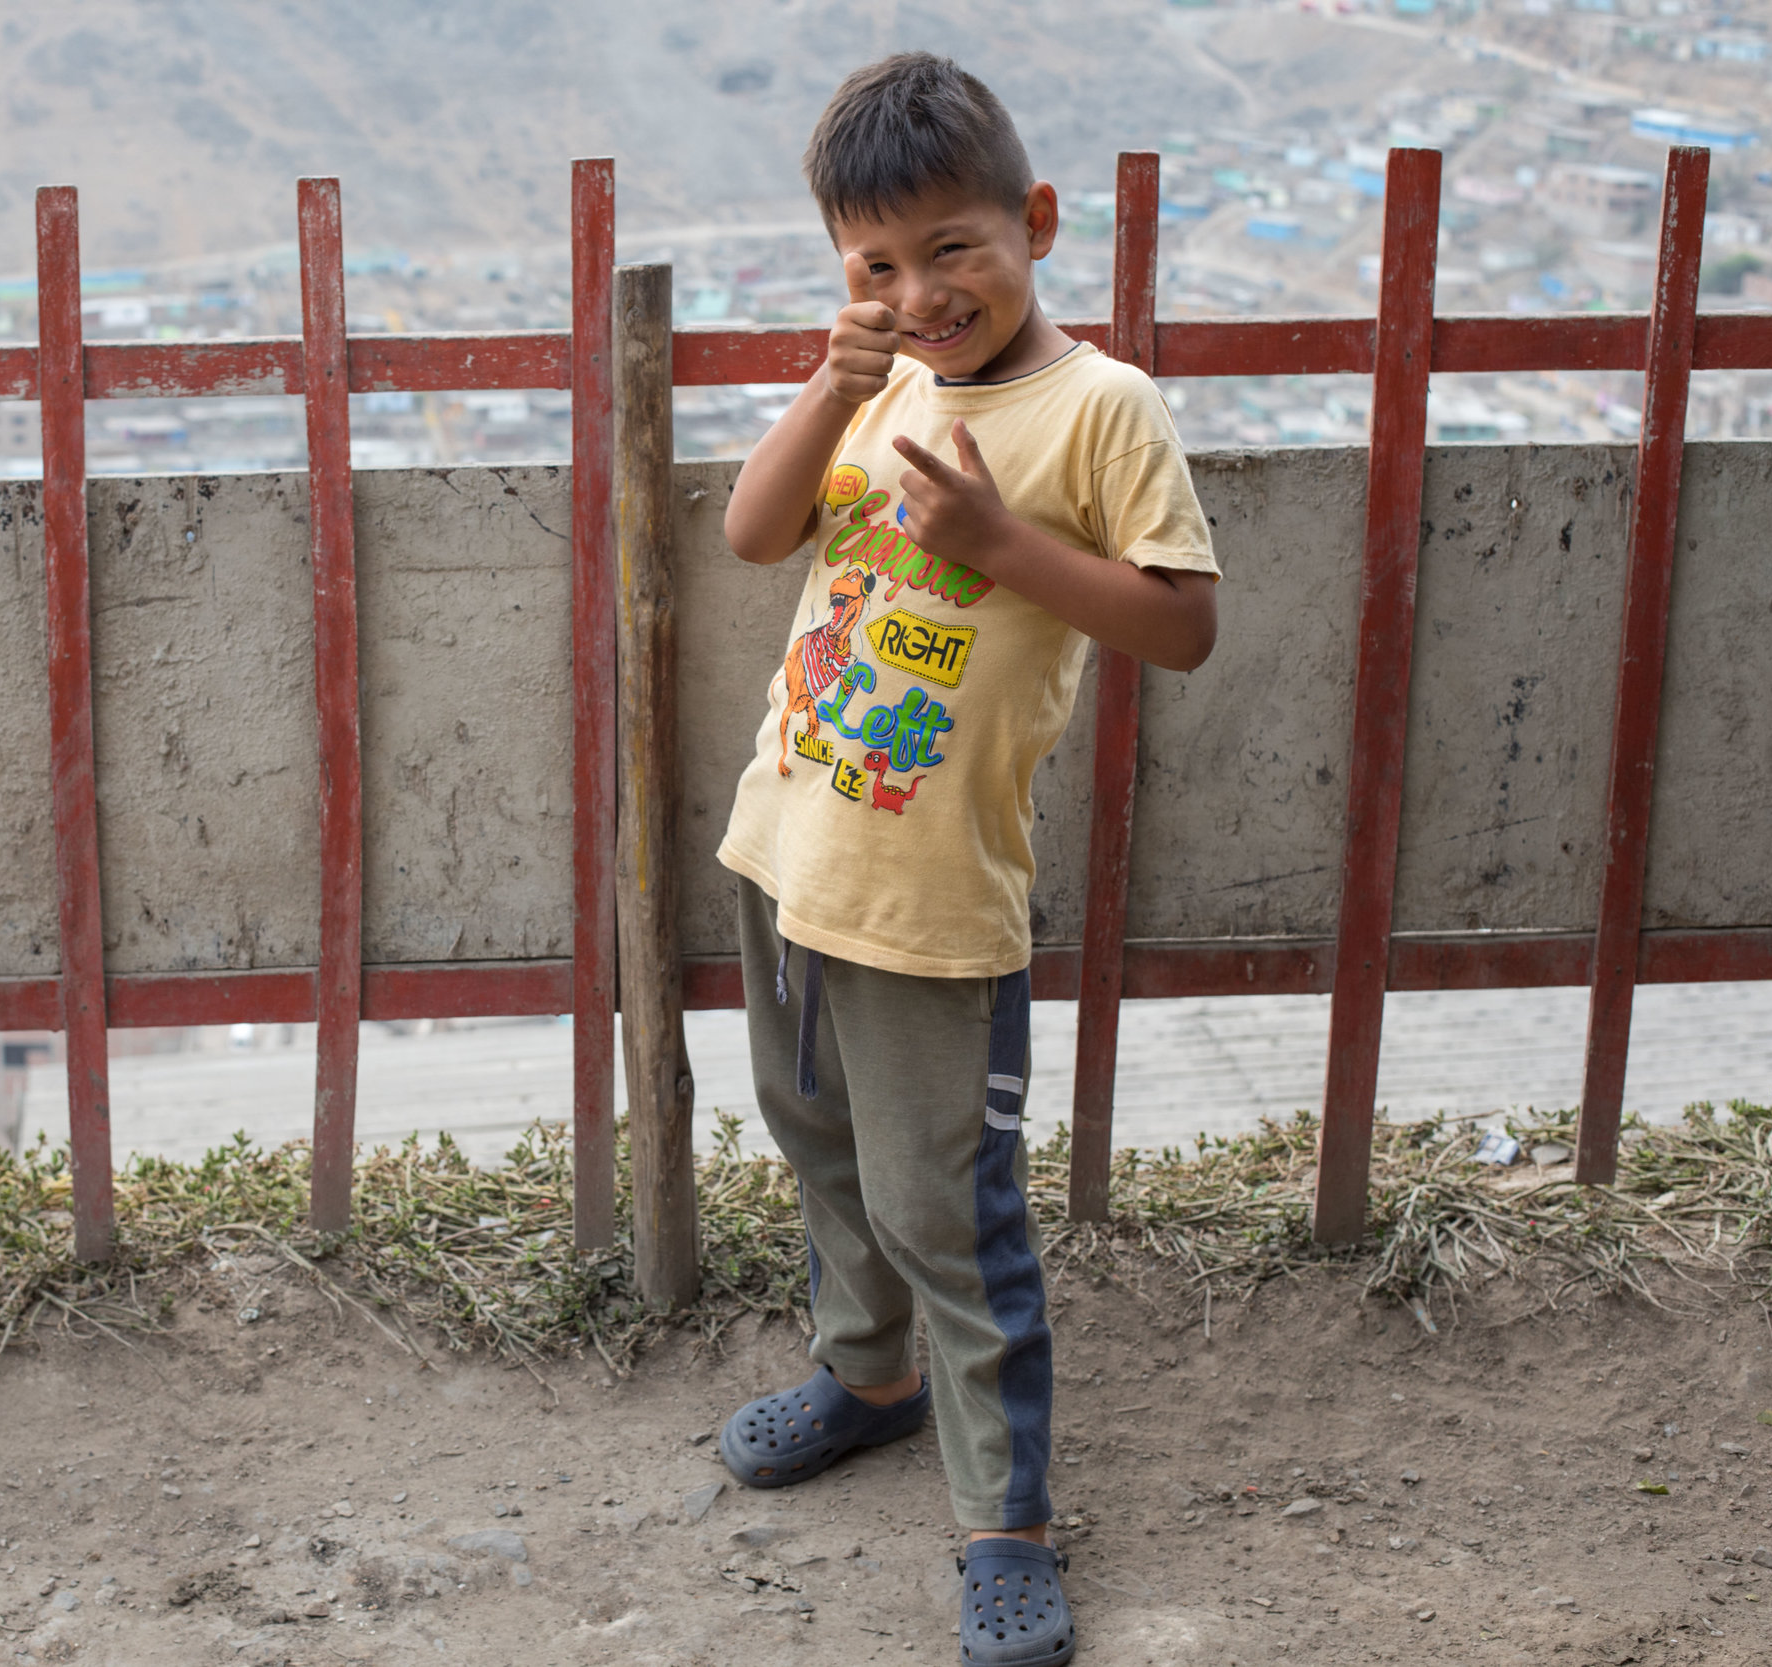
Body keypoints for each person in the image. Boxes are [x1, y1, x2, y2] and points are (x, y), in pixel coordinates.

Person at [711, 51, 1220, 1667]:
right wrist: (834, 379)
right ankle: (868, 1377)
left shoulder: (1100, 406)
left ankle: (1005, 1517)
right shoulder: (884, 384)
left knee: (954, 1209)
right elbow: (753, 534)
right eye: (878, 264)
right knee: (820, 1144)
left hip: (933, 897)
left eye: (954, 250)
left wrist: (1001, 547)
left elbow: (1184, 626)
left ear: (1038, 225)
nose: (922, 292)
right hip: (789, 841)